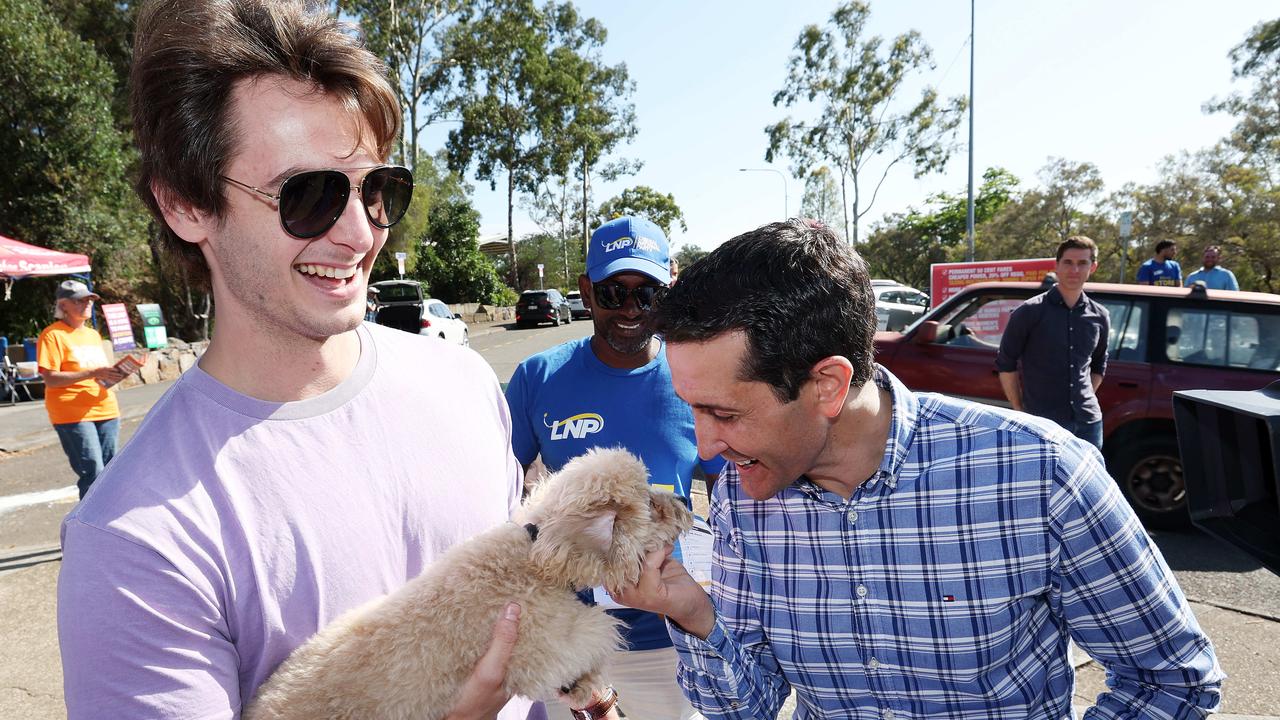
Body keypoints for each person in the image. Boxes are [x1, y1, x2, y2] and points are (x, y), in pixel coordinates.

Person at [57, 2, 540, 719]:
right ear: (186, 204)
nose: (357, 235)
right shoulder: (135, 542)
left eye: (377, 191)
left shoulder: (467, 385)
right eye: (308, 195)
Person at [614, 219, 1223, 719]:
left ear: (827, 385)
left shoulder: (1039, 474)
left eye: (723, 412)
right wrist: (693, 612)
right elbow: (746, 706)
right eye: (691, 409)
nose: (706, 446)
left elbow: (1171, 679)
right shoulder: (746, 496)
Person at [505, 216, 725, 720]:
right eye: (612, 293)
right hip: (566, 641)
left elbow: (731, 503)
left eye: (647, 294)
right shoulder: (539, 377)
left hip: (669, 641)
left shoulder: (695, 378)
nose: (630, 310)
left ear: (669, 290)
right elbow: (497, 493)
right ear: (585, 291)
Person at [995, 236, 1110, 449]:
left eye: (1082, 263)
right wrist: (1020, 410)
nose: (1074, 270)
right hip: (1042, 423)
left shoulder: (1100, 315)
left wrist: (1084, 397)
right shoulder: (1029, 312)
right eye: (1068, 262)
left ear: (1093, 267)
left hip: (1089, 424)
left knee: (1086, 483)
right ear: (1056, 265)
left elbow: (1099, 365)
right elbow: (1006, 363)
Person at [37, 279, 127, 499]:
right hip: (72, 413)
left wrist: (114, 374)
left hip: (105, 408)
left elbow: (97, 373)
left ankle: (108, 523)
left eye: (89, 300)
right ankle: (90, 528)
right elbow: (51, 379)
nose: (87, 304)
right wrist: (92, 373)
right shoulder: (52, 335)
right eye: (80, 301)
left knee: (111, 471)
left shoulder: (92, 335)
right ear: (64, 305)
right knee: (93, 472)